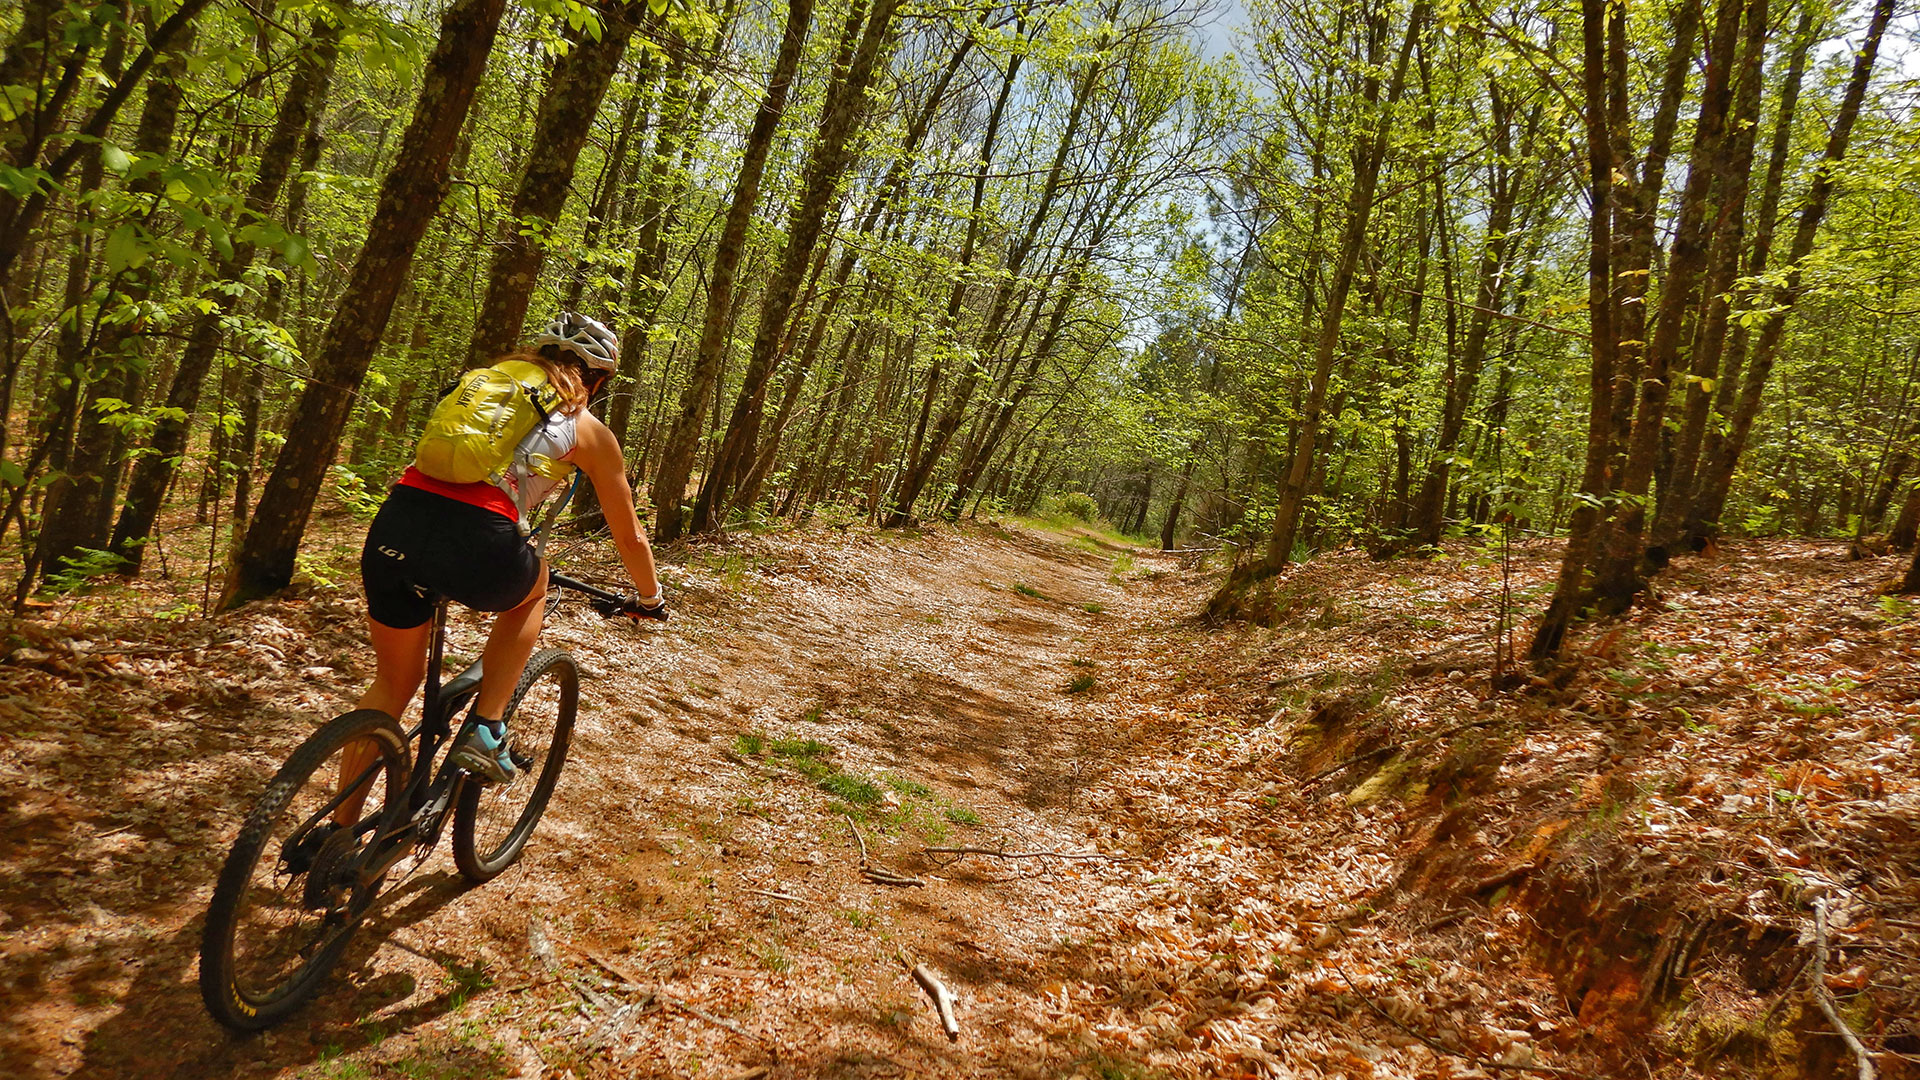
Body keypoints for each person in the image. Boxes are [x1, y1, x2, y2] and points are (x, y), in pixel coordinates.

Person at [351, 313, 665, 788]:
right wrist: (650, 598)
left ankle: (334, 836)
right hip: (479, 538)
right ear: (597, 378)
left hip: (396, 523)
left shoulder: (479, 388)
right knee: (534, 587)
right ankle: (486, 726)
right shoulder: (588, 429)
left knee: (392, 684)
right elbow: (630, 538)